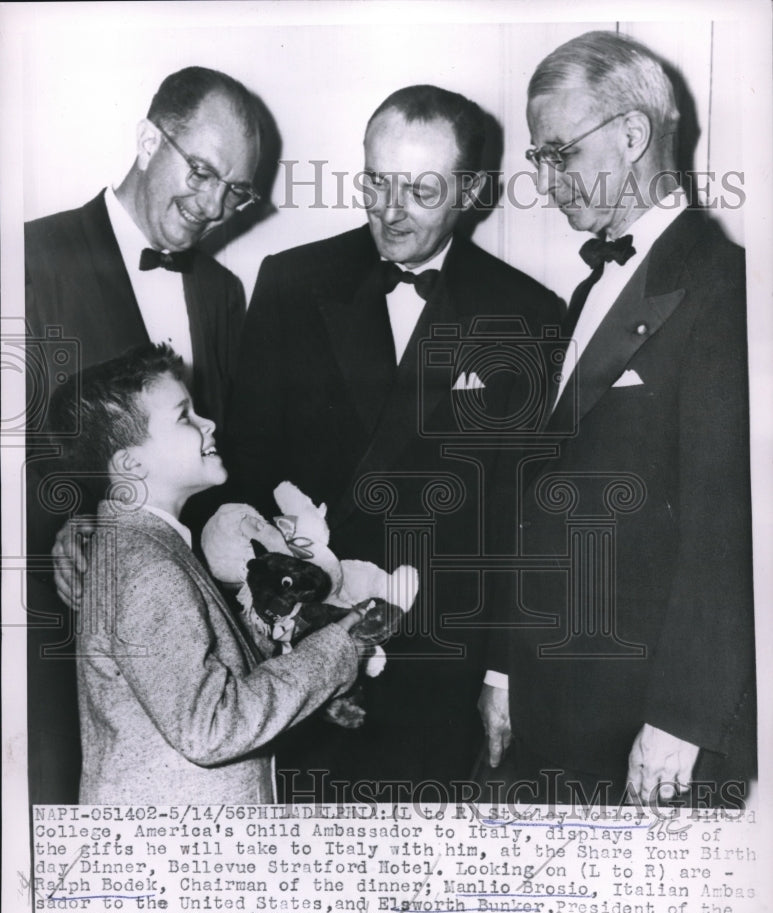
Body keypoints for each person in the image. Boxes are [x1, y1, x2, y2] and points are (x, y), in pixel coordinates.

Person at [224, 84, 563, 800]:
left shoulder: (526, 314)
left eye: (419, 189)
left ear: (470, 191)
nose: (388, 210)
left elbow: (519, 522)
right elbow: (245, 475)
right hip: (302, 654)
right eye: (376, 181)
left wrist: (500, 675)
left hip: (440, 667)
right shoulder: (290, 283)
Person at [477, 31, 755, 807]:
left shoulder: (722, 288)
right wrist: (503, 670)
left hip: (644, 729)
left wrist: (682, 717)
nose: (544, 180)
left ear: (631, 136)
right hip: (552, 705)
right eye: (537, 158)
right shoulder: (584, 293)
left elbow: (723, 526)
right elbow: (536, 503)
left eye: (557, 152)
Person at [25, 66, 263, 802]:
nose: (213, 205)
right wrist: (66, 517)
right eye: (201, 172)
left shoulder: (221, 293)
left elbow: (225, 451)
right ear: (146, 140)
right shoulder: (34, 257)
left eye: (235, 191)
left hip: (187, 640)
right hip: (60, 632)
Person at [48, 344, 362, 803]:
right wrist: (334, 651)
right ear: (132, 464)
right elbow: (209, 729)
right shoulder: (147, 567)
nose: (207, 423)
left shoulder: (144, 545)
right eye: (184, 416)